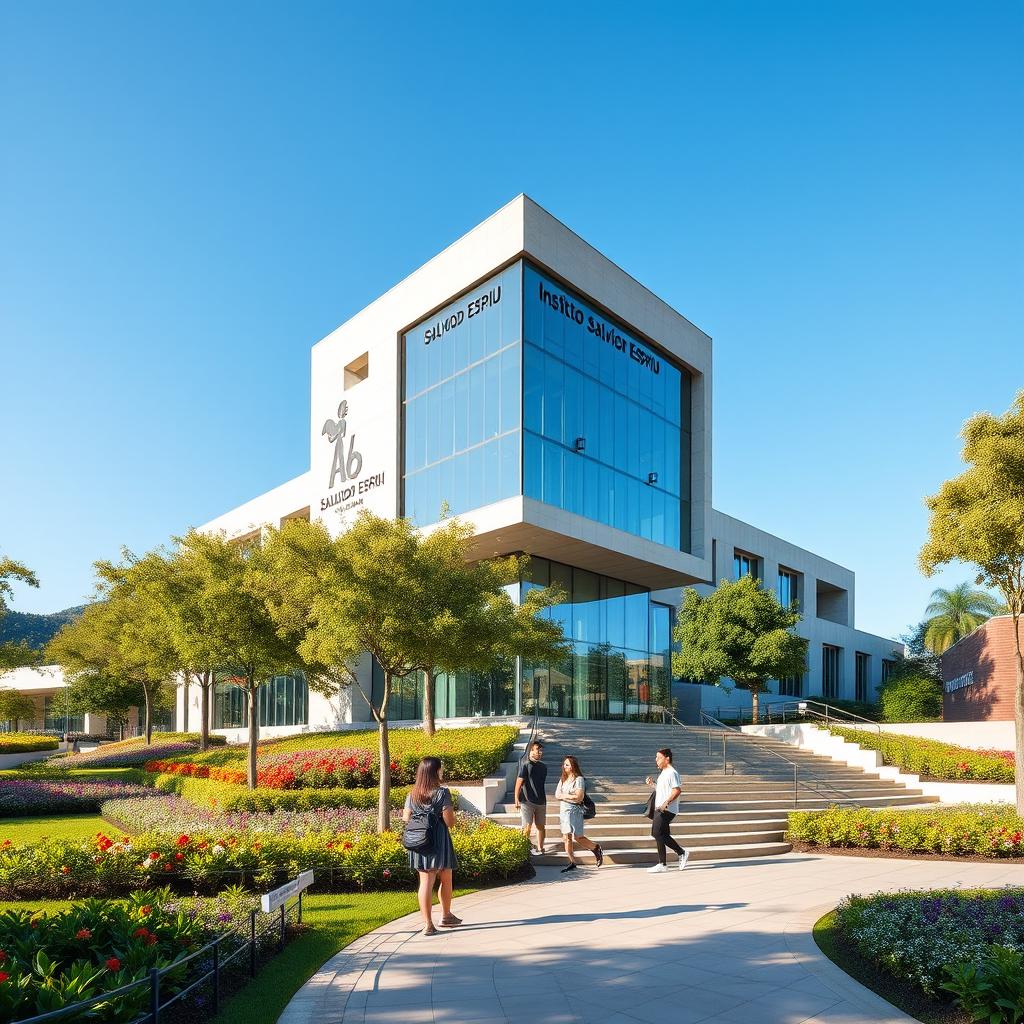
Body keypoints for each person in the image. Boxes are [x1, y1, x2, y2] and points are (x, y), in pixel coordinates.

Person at [402, 756, 462, 935]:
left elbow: (406, 818)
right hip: (439, 840)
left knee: (425, 882)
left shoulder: (412, 794)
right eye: (440, 768)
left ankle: (428, 924)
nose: (442, 771)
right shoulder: (442, 793)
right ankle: (445, 915)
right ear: (434, 771)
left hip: (420, 842)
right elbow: (449, 821)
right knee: (446, 878)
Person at [554, 755, 603, 873]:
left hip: (575, 811)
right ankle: (572, 862)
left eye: (567, 764)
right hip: (564, 811)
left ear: (573, 766)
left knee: (578, 837)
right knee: (566, 837)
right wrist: (569, 796)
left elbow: (579, 797)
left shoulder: (579, 779)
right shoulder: (563, 779)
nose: (564, 766)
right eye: (564, 764)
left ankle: (595, 848)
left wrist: (564, 796)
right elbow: (556, 795)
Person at [645, 747, 689, 873]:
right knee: (661, 835)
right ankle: (662, 864)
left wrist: (666, 802)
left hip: (667, 809)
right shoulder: (664, 773)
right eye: (656, 757)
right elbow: (662, 790)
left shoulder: (672, 772)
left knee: (656, 833)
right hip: (661, 807)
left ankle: (681, 852)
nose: (656, 760)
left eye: (659, 757)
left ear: (667, 758)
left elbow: (677, 790)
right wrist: (653, 784)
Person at [514, 739, 547, 855]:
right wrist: (516, 799)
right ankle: (524, 849)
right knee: (527, 826)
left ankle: (540, 847)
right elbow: (519, 782)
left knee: (541, 826)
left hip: (541, 802)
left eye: (541, 750)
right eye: (538, 750)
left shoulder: (544, 767)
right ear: (531, 751)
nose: (540, 752)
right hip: (526, 801)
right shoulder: (525, 765)